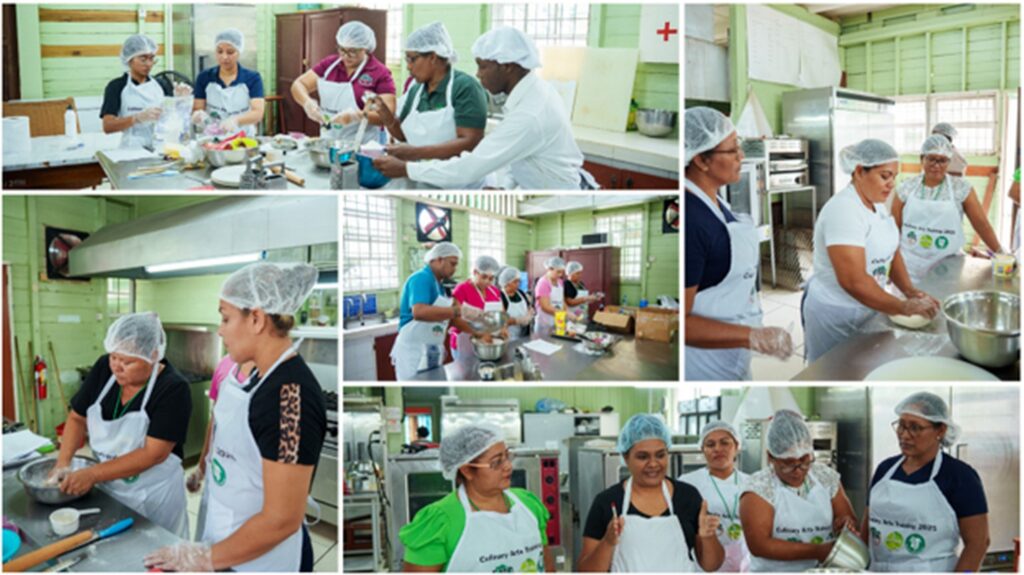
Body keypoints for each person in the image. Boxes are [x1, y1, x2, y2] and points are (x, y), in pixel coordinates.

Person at [144, 262, 327, 571]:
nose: (220, 330)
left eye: (225, 318)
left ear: (256, 318)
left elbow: (282, 519)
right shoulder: (255, 377)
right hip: (231, 544)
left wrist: (202, 558)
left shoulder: (289, 397)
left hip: (265, 563)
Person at [373, 27, 596, 190]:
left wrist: (407, 167)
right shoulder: (532, 93)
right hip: (534, 184)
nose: (478, 74)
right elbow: (519, 156)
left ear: (507, 66)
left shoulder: (530, 113)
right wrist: (505, 187)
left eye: (483, 66)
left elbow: (472, 165)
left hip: (553, 190)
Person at [51, 312, 191, 538]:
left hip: (154, 496)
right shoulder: (104, 369)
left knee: (156, 551)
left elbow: (154, 453)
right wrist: (63, 463)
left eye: (127, 362)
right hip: (110, 489)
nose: (117, 367)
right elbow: (77, 417)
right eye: (114, 357)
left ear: (153, 356)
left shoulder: (173, 388)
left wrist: (92, 474)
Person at [802, 139, 941, 362]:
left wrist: (910, 291)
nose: (891, 184)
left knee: (864, 366)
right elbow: (853, 281)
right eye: (885, 176)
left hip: (870, 304)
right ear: (859, 172)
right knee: (833, 369)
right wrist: (902, 306)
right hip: (837, 312)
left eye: (894, 177)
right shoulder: (843, 210)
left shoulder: (876, 204)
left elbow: (891, 251)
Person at [684, 107, 793, 380]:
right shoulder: (691, 220)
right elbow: (681, 323)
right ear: (701, 160)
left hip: (732, 352)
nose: (741, 156)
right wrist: (752, 336)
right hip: (702, 364)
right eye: (733, 150)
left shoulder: (715, 201)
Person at [578, 414, 724, 572]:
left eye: (660, 455)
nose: (653, 464)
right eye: (643, 457)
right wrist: (607, 542)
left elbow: (711, 565)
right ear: (626, 458)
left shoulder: (687, 496)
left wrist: (708, 537)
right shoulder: (607, 502)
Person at [399, 424, 553, 572]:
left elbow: (546, 564)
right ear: (466, 470)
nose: (508, 466)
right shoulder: (440, 521)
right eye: (496, 462)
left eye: (507, 456)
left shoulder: (527, 504)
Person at [863, 392, 989, 572]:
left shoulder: (960, 476)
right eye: (901, 426)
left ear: (941, 430)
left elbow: (978, 543)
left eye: (915, 428)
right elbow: (867, 526)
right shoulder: (885, 469)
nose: (904, 435)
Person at [739, 410, 857, 572]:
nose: (798, 470)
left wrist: (845, 523)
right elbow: (760, 545)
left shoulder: (825, 477)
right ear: (770, 457)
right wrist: (818, 551)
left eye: (804, 460)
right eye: (788, 464)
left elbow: (848, 517)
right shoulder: (758, 487)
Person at [367, 22, 487, 169]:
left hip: (454, 176)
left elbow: (470, 141)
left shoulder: (464, 87)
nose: (408, 66)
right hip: (417, 173)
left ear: (433, 57)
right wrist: (385, 114)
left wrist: (415, 153)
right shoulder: (416, 90)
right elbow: (403, 135)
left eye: (412, 59)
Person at [892, 135, 1003, 280]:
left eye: (942, 160)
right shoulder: (906, 187)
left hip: (948, 264)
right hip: (910, 263)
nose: (936, 165)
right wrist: (891, 260)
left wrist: (1000, 253)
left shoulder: (961, 188)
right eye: (931, 159)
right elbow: (894, 226)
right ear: (922, 159)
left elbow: (981, 224)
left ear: (949, 162)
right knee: (909, 294)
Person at [392, 243, 489, 380]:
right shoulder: (421, 278)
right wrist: (458, 310)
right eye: (452, 264)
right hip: (414, 351)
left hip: (432, 349)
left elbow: (452, 320)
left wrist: (478, 333)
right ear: (438, 260)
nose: (454, 269)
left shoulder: (440, 286)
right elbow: (419, 312)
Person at [290, 21, 396, 144]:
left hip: (363, 144)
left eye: (352, 51)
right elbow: (299, 85)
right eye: (342, 50)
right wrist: (307, 103)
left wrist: (357, 116)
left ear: (365, 48)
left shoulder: (380, 72)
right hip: (329, 140)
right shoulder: (330, 65)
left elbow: (388, 116)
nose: (345, 56)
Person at [186, 355, 254, 541]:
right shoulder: (225, 365)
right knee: (207, 536)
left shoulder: (276, 376)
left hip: (249, 485)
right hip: (218, 472)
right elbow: (215, 420)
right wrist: (201, 468)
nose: (224, 340)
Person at [679, 421, 752, 572]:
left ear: (737, 446)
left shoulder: (752, 484)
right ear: (702, 450)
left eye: (724, 443)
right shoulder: (688, 484)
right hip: (703, 565)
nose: (717, 449)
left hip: (747, 564)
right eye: (710, 444)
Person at [100, 35, 181, 149]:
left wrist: (181, 99)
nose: (148, 64)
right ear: (129, 60)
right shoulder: (117, 86)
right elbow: (108, 126)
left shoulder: (162, 84)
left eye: (151, 59)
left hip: (161, 148)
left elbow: (173, 118)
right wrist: (136, 118)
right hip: (131, 149)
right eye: (143, 59)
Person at [191, 28, 266, 137]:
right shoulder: (204, 77)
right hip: (212, 138)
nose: (224, 57)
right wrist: (198, 115)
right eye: (219, 51)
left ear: (239, 52)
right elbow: (198, 108)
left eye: (230, 52)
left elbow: (258, 113)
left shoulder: (252, 78)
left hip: (243, 138)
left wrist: (236, 120)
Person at [450, 255, 506, 355]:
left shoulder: (494, 291)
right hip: (465, 340)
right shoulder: (462, 289)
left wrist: (503, 327)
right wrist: (479, 333)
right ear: (475, 272)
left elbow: (502, 313)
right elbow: (455, 320)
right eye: (484, 277)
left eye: (491, 278)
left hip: (488, 340)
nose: (487, 281)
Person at [497, 266, 534, 340]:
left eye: (519, 281)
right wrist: (518, 320)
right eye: (515, 282)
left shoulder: (521, 293)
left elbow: (529, 307)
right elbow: (501, 319)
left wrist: (530, 313)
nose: (518, 284)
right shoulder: (500, 296)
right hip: (509, 336)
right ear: (507, 283)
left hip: (524, 335)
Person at [533, 256, 566, 331]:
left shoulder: (560, 282)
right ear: (549, 269)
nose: (560, 275)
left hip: (558, 320)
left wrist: (566, 312)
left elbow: (562, 300)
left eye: (562, 272)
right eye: (558, 272)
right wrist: (563, 313)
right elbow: (545, 307)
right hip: (544, 323)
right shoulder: (543, 283)